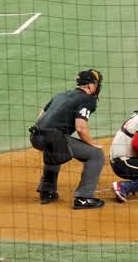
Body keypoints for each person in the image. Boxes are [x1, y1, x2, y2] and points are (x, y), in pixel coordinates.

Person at [29, 69, 105, 209]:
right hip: (52, 137)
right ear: (89, 86)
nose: (98, 86)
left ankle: (47, 191)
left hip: (35, 136)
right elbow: (81, 127)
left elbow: (41, 116)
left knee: (56, 146)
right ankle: (84, 197)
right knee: (96, 155)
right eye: (97, 83)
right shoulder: (88, 99)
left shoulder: (61, 95)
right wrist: (93, 144)